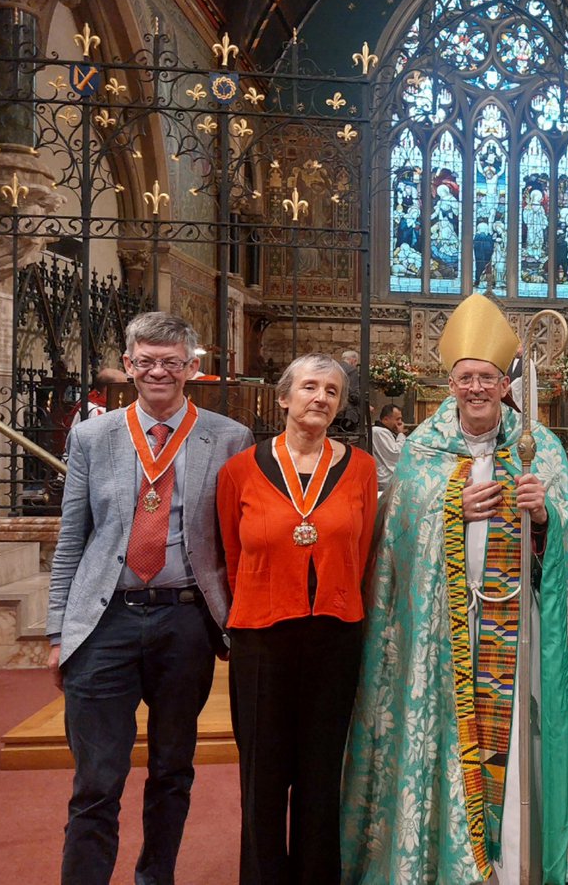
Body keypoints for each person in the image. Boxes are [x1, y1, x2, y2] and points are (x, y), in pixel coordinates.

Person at [341, 293, 568, 885]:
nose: (477, 388)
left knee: (517, 743)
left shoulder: (540, 447)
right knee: (451, 744)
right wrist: (448, 511)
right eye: (467, 378)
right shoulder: (421, 451)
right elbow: (397, 545)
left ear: (505, 382)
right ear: (451, 382)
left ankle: (515, 865)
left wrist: (545, 521)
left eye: (488, 377)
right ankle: (449, 862)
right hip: (445, 639)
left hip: (519, 639)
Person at [47, 312, 252, 884]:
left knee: (171, 770)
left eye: (171, 362)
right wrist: (58, 631)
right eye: (145, 361)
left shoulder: (229, 437)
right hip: (104, 621)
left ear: (192, 367)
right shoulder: (92, 436)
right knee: (96, 780)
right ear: (130, 365)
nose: (157, 371)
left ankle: (154, 877)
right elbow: (72, 537)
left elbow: (239, 537)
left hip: (184, 621)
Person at [217, 353, 377, 884]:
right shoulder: (239, 470)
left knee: (320, 771)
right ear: (284, 398)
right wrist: (258, 605)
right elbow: (230, 556)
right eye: (310, 387)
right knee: (263, 774)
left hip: (335, 633)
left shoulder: (361, 468)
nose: (321, 398)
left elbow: (367, 551)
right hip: (262, 636)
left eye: (332, 391)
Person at [371, 402, 406, 491]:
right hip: (385, 480)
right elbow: (396, 453)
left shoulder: (385, 431)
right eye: (398, 419)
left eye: (401, 419)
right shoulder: (379, 432)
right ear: (386, 419)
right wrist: (401, 434)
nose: (400, 422)